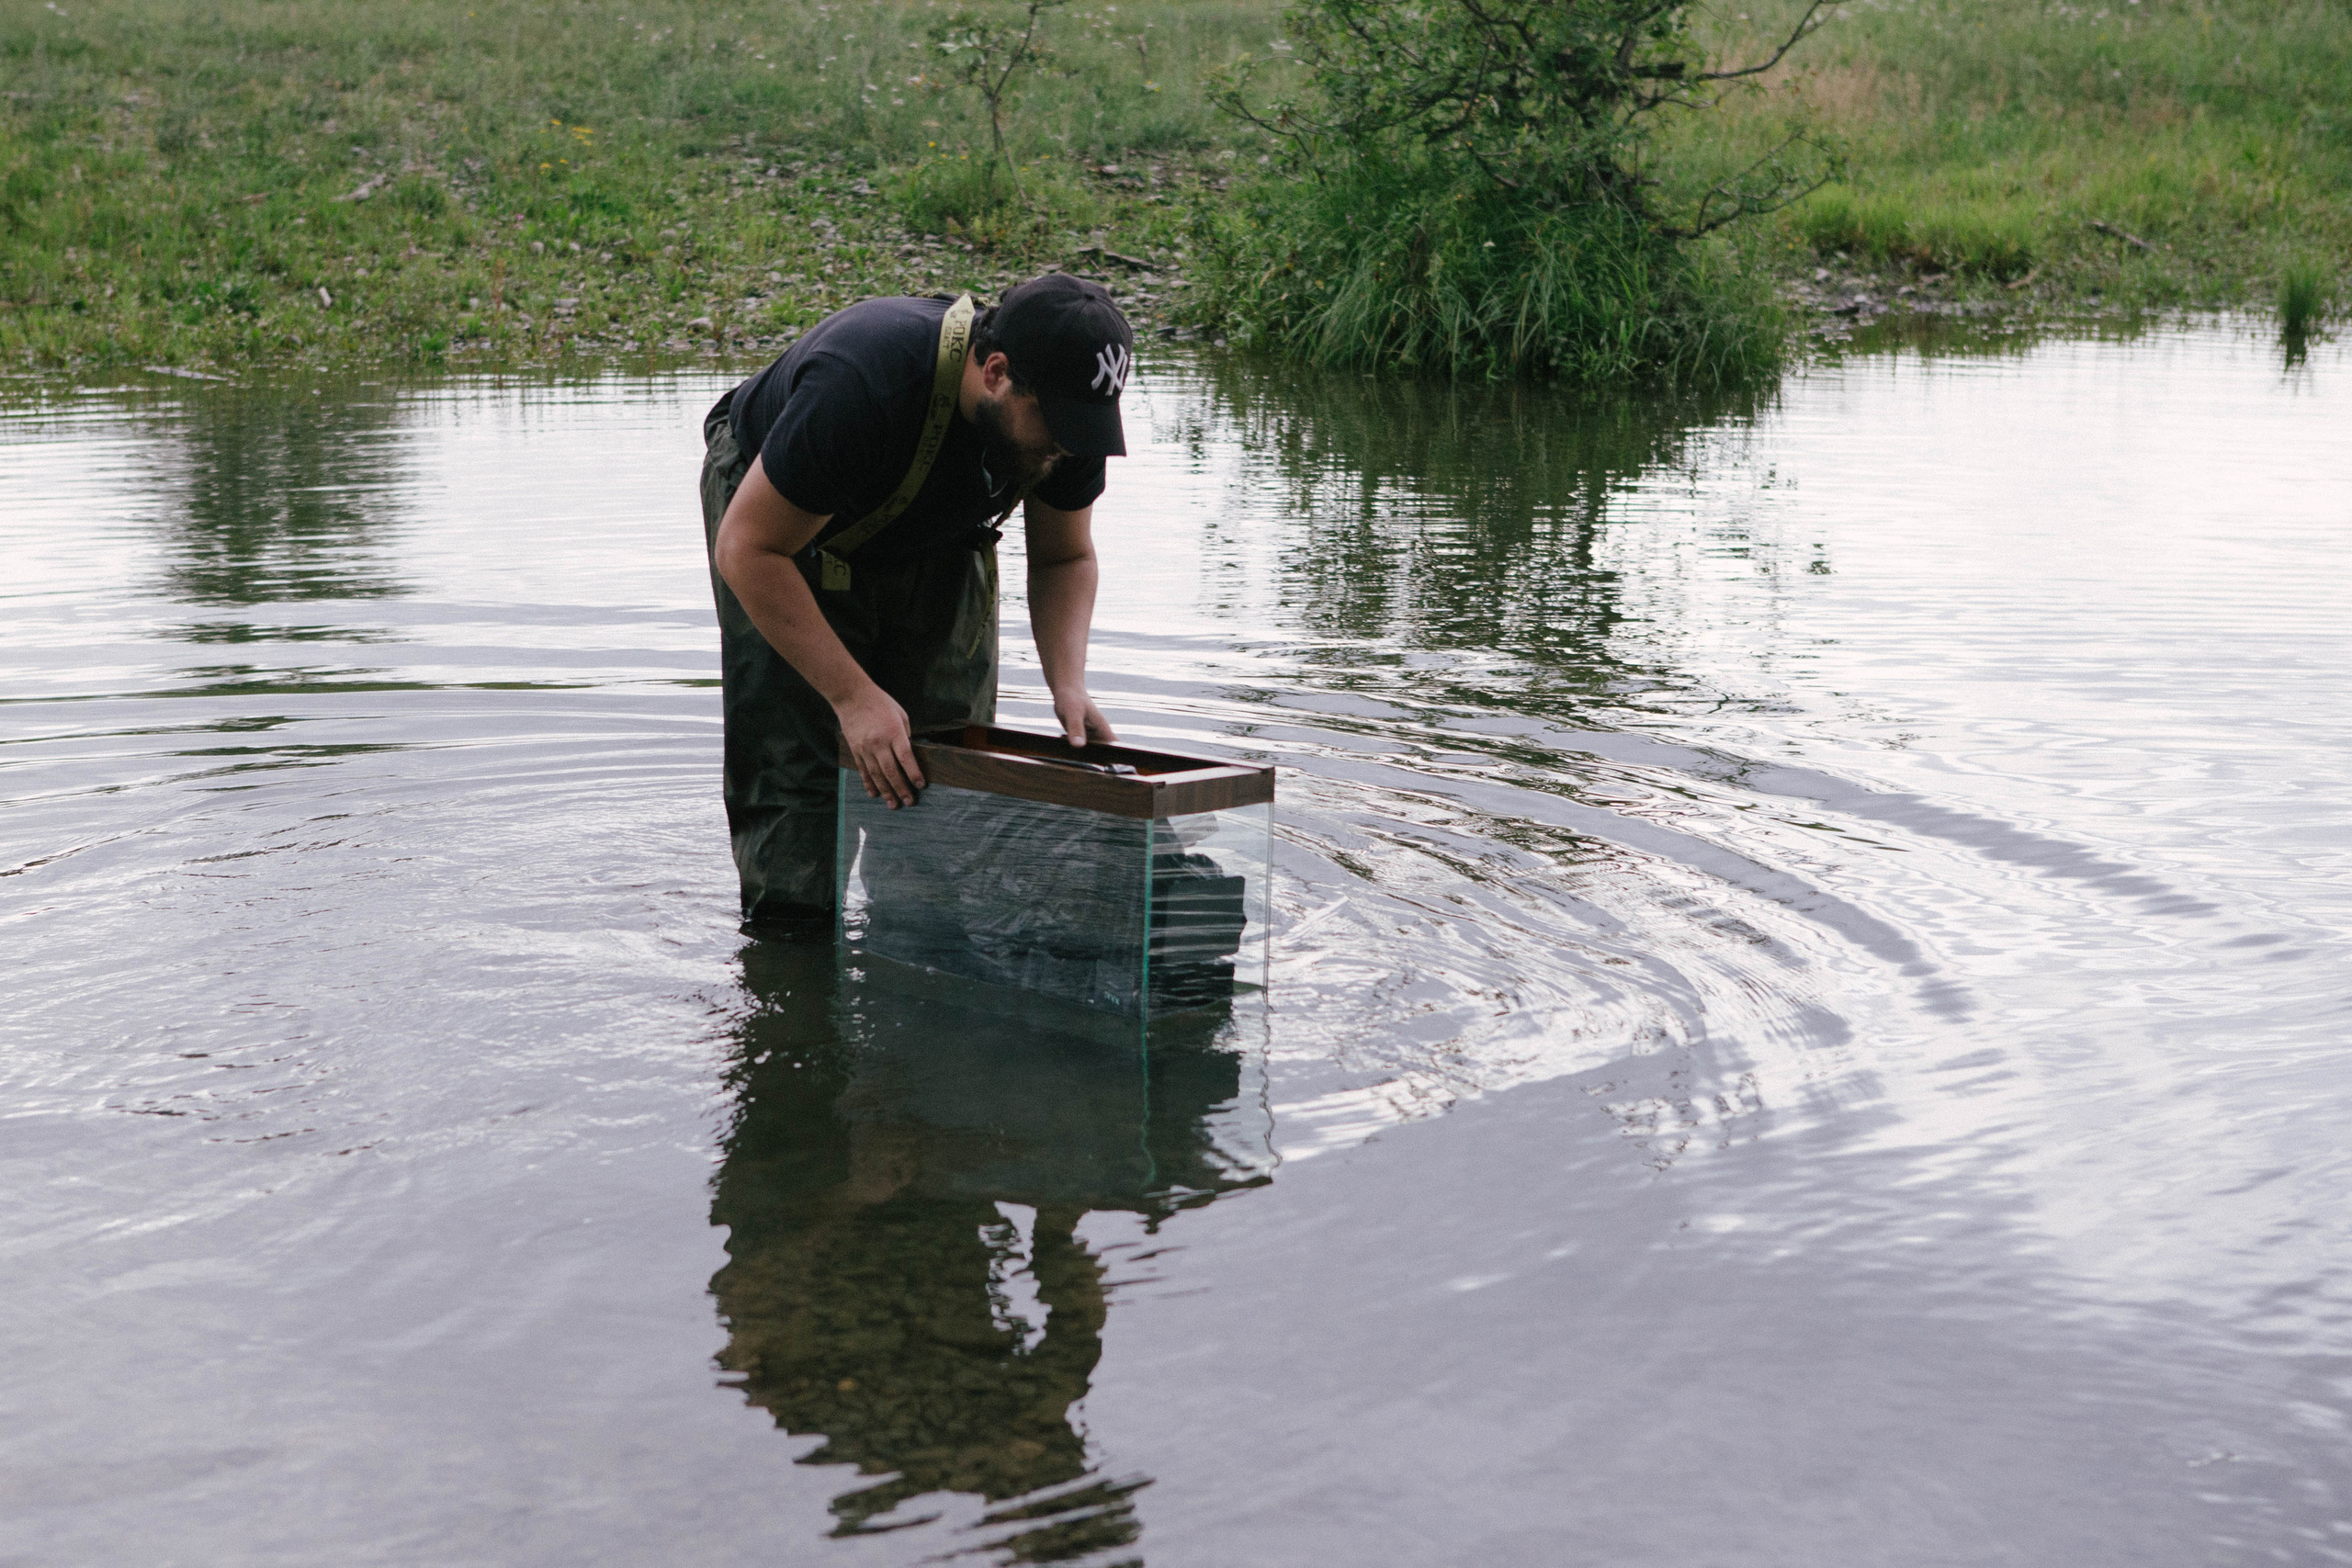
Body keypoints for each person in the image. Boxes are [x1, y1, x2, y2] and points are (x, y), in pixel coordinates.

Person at [699, 274, 1134, 926]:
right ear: (995, 372)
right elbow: (747, 550)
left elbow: (1064, 555)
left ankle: (916, 956)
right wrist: (852, 696)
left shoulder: (1066, 423)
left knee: (943, 780)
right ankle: (792, 977)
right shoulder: (864, 380)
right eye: (1054, 423)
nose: (1066, 447)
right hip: (783, 534)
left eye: (1084, 428)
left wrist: (1067, 684)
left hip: (939, 534)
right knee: (802, 791)